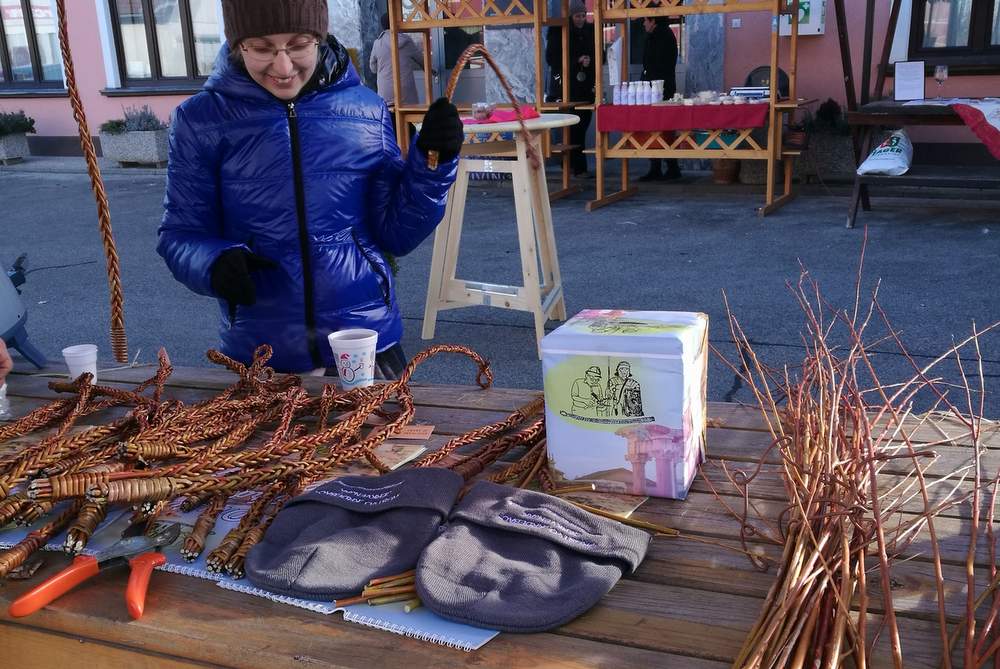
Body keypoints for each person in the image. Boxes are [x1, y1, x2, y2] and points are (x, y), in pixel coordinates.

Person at [158, 0, 465, 379]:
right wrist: (212, 262)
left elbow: (396, 232)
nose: (283, 67)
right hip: (261, 352)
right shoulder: (200, 120)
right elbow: (181, 234)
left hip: (365, 342)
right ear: (238, 45)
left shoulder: (367, 111)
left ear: (319, 38)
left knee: (385, 439)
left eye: (299, 45)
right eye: (262, 48)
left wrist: (433, 163)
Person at [545, 0, 595, 178]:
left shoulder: (590, 30)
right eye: (577, 16)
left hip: (586, 87)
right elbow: (552, 59)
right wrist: (576, 60)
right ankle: (574, 167)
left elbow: (599, 54)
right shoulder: (559, 30)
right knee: (571, 129)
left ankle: (577, 167)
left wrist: (590, 60)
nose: (581, 19)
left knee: (582, 127)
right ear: (571, 16)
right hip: (565, 87)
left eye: (583, 16)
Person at [638, 16, 681, 182]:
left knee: (662, 128)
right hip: (660, 88)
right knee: (660, 128)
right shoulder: (662, 34)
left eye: (645, 20)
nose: (643, 24)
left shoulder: (661, 36)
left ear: (653, 21)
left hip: (659, 90)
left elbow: (655, 64)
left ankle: (667, 166)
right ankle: (662, 166)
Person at [369, 12, 428, 107]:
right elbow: (422, 61)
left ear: (382, 25)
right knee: (407, 118)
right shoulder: (406, 41)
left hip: (385, 92)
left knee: (390, 119)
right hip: (405, 93)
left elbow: (373, 68)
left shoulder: (377, 44)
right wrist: (433, 71)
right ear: (397, 22)